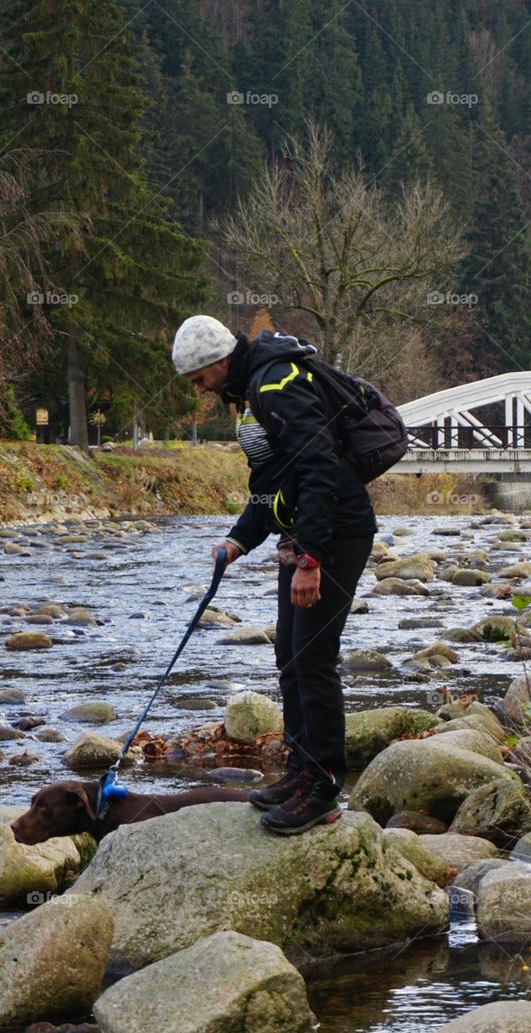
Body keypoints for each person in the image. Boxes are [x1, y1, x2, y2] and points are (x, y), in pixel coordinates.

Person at [171, 314, 377, 834]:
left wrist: (310, 558)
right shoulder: (251, 388)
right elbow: (272, 479)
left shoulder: (275, 382)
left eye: (197, 379)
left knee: (313, 660)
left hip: (336, 534)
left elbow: (319, 470)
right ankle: (301, 770)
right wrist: (239, 539)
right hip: (302, 536)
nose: (198, 389)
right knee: (290, 654)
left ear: (217, 361)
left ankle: (324, 788)